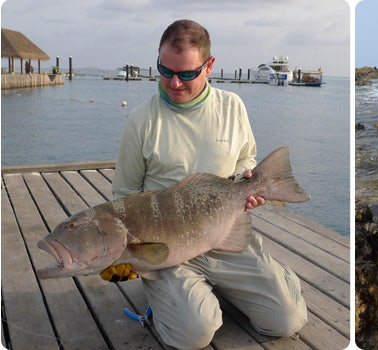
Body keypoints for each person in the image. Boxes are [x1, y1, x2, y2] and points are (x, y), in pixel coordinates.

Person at [104, 19, 307, 349]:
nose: (174, 82)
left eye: (186, 74)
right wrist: (124, 252)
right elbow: (124, 196)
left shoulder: (232, 106)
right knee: (195, 333)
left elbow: (246, 160)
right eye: (165, 69)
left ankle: (274, 280)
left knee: (286, 321)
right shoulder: (140, 121)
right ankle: (175, 299)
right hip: (167, 250)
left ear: (209, 66)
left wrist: (250, 182)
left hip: (224, 231)